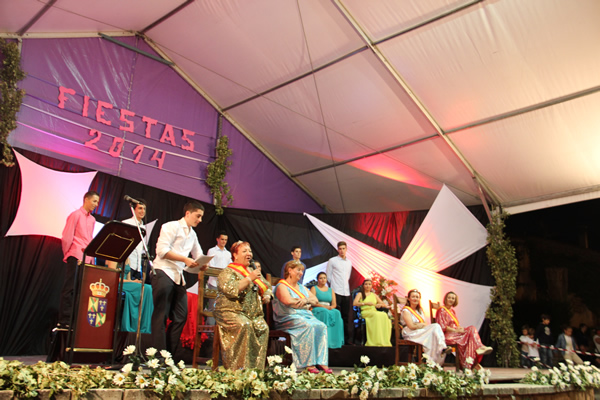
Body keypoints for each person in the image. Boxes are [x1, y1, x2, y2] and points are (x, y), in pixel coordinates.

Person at [151, 201, 208, 356]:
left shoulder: (193, 234)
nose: (200, 220)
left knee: (181, 316)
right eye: (198, 216)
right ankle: (157, 356)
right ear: (188, 213)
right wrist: (184, 259)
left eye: (201, 217)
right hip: (163, 271)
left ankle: (168, 355)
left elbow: (198, 254)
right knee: (161, 314)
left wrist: (203, 264)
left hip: (178, 276)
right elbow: (162, 251)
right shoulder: (171, 226)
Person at [213, 241, 272, 370]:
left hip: (251, 314)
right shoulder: (228, 272)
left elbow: (267, 286)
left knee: (263, 327)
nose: (248, 253)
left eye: (249, 251)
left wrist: (267, 295)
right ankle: (238, 370)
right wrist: (249, 278)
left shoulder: (253, 271)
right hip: (230, 311)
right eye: (244, 251)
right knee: (245, 325)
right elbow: (231, 289)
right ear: (235, 255)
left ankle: (256, 371)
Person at [273, 261, 332, 373]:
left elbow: (315, 300)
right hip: (288, 317)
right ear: (290, 270)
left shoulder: (302, 287)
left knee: (321, 326)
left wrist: (306, 300)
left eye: (302, 271)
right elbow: (288, 301)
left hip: (304, 316)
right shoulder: (281, 286)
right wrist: (306, 304)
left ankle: (321, 361)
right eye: (298, 270)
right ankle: (308, 363)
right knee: (308, 326)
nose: (301, 273)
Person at [57, 190, 100, 328]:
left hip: (87, 257)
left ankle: (76, 320)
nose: (96, 204)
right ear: (86, 199)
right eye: (94, 201)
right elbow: (67, 236)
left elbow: (90, 238)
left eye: (97, 202)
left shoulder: (92, 220)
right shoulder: (75, 215)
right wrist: (69, 253)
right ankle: (65, 320)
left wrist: (92, 258)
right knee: (70, 288)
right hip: (75, 254)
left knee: (82, 291)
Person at [435, 291, 492, 369]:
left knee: (471, 329)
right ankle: (471, 363)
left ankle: (470, 363)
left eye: (453, 298)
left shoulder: (452, 311)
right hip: (447, 336)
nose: (451, 300)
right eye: (449, 298)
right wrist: (456, 331)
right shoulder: (441, 310)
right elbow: (442, 327)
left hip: (455, 333)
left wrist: (459, 328)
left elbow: (455, 325)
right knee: (468, 336)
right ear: (445, 299)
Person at [400, 289, 449, 365]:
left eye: (417, 297)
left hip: (419, 331)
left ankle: (433, 361)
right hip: (410, 332)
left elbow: (425, 324)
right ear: (409, 298)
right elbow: (411, 326)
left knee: (435, 327)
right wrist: (419, 325)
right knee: (432, 332)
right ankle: (439, 351)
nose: (415, 298)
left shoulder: (420, 310)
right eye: (413, 297)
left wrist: (418, 325)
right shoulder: (406, 310)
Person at [326, 241, 354, 345]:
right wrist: (334, 287)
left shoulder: (349, 262)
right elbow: (328, 276)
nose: (342, 251)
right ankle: (335, 339)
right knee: (335, 315)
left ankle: (346, 340)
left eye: (343, 248)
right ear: (337, 249)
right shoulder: (332, 261)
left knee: (346, 317)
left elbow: (348, 276)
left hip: (346, 292)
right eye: (340, 249)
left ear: (346, 249)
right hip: (336, 291)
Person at [352, 278, 391, 347]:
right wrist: (365, 303)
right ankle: (374, 340)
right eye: (366, 284)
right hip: (365, 311)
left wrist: (380, 305)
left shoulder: (374, 295)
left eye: (369, 284)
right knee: (376, 315)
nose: (368, 286)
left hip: (373, 311)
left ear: (371, 286)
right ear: (363, 285)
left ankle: (382, 340)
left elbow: (382, 304)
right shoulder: (360, 294)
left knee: (384, 315)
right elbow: (354, 303)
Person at [310, 272, 344, 349]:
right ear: (318, 280)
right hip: (318, 307)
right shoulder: (314, 288)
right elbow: (312, 302)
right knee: (324, 312)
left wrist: (331, 307)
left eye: (324, 278)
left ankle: (335, 341)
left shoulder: (331, 290)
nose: (323, 280)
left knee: (337, 312)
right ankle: (324, 341)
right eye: (321, 278)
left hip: (328, 308)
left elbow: (334, 304)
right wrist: (323, 306)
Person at [205, 231, 232, 324]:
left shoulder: (228, 253)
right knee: (212, 307)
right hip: (214, 283)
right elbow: (211, 266)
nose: (224, 241)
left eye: (225, 240)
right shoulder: (212, 251)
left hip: (224, 285)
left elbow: (230, 267)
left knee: (223, 308)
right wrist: (222, 274)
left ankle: (220, 330)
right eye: (222, 239)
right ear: (217, 239)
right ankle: (210, 330)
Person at [122, 199, 147, 280]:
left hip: (138, 267)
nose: (142, 211)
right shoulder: (127, 223)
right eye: (140, 208)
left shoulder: (143, 227)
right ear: (134, 209)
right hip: (127, 264)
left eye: (144, 209)